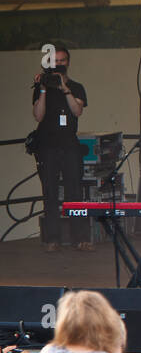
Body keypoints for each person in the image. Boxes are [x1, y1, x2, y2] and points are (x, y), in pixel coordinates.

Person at [30, 45, 90, 253]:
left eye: (63, 61)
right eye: (55, 61)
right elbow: (38, 116)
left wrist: (65, 88)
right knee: (50, 192)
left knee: (75, 191)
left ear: (68, 62)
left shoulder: (76, 86)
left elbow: (77, 110)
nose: (59, 65)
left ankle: (80, 238)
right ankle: (52, 239)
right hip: (47, 145)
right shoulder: (42, 86)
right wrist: (44, 89)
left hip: (69, 144)